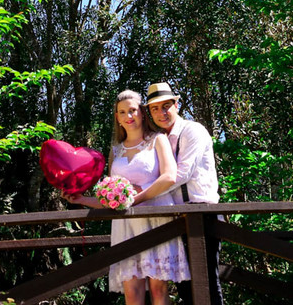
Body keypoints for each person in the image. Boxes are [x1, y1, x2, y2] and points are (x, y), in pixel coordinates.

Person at [66, 90, 190, 305]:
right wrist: (82, 199)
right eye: (122, 112)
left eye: (132, 110)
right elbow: (110, 198)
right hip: (125, 227)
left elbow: (169, 176)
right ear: (117, 117)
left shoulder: (158, 140)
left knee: (158, 290)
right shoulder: (116, 151)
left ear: (141, 112)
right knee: (132, 293)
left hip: (155, 219)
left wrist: (135, 198)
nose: (128, 116)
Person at [145, 82, 222, 305]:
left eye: (166, 106)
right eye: (155, 108)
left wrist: (143, 194)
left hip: (202, 214)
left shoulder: (192, 130)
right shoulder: (158, 139)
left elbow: (181, 174)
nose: (162, 113)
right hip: (174, 217)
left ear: (176, 105)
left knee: (206, 283)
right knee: (185, 286)